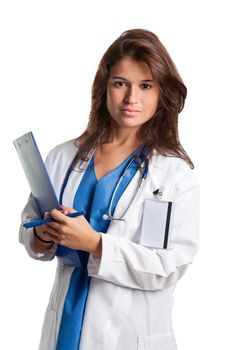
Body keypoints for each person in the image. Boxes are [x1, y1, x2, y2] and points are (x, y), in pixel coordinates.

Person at [19, 28, 200, 350]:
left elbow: (169, 266)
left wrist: (94, 243)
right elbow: (30, 231)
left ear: (162, 93)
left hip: (130, 333)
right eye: (121, 84)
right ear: (104, 88)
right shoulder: (63, 156)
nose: (132, 98)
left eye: (146, 86)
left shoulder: (173, 174)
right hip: (67, 323)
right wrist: (43, 235)